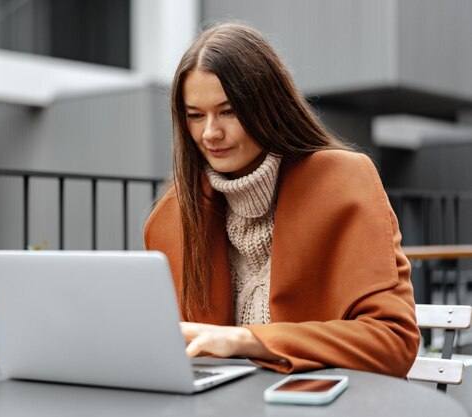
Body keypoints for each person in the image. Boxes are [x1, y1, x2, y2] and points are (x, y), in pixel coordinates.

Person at [144, 22, 420, 378]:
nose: (211, 133)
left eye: (228, 111)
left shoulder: (343, 183)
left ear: (267, 106)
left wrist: (249, 340)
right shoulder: (173, 218)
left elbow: (392, 340)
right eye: (195, 116)